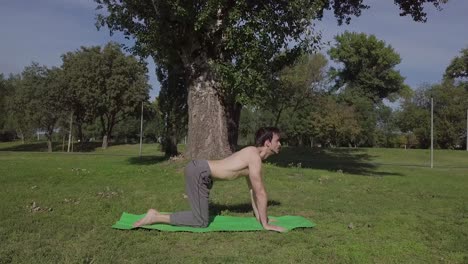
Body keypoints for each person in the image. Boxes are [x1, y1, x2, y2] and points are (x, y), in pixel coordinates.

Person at [133, 127, 285, 232]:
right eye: (277, 140)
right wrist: (266, 225)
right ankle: (155, 216)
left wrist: (261, 218)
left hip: (202, 173)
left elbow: (253, 191)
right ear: (267, 143)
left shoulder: (253, 156)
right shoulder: (253, 156)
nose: (280, 144)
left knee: (199, 218)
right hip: (199, 172)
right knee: (200, 222)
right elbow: (261, 193)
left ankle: (156, 215)